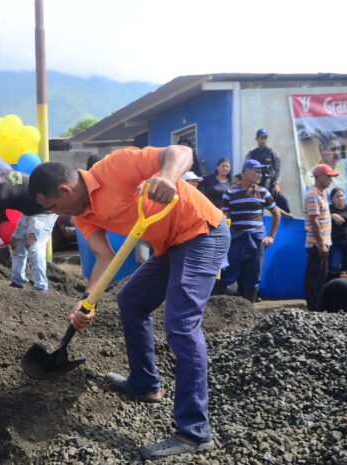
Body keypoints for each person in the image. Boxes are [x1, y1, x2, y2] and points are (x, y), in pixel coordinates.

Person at [28, 145, 230, 459]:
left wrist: (165, 176)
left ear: (65, 189)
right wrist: (87, 303)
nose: (57, 214)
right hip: (170, 246)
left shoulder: (115, 166)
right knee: (131, 299)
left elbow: (181, 150)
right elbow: (104, 258)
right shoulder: (84, 216)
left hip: (203, 232)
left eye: (54, 206)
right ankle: (145, 384)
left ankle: (194, 431)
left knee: (180, 324)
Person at [218, 159, 281, 302]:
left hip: (256, 239)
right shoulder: (230, 193)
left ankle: (249, 308)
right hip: (235, 239)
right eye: (257, 171)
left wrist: (271, 236)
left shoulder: (263, 192)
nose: (260, 174)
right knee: (227, 273)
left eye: (261, 172)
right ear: (245, 171)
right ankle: (220, 308)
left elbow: (277, 213)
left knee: (253, 275)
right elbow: (224, 217)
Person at [0, 168, 57, 292]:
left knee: (33, 245)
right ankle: (17, 281)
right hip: (29, 210)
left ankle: (41, 287)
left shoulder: (1, 195)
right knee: (15, 242)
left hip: (45, 210)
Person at [304, 164, 338, 311]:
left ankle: (317, 305)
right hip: (317, 244)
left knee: (320, 276)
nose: (331, 180)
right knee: (315, 276)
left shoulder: (322, 194)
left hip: (323, 242)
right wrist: (321, 244)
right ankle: (313, 307)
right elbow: (314, 221)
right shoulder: (312, 195)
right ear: (319, 177)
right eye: (328, 177)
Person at [245, 128, 291, 214]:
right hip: (256, 188)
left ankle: (285, 225)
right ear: (257, 139)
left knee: (284, 204)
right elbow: (246, 172)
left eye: (265, 137)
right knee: (256, 211)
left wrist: (277, 184)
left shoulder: (273, 153)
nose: (264, 140)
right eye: (262, 137)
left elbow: (278, 170)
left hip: (271, 186)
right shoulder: (251, 154)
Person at [328, 187, 347, 279]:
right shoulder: (329, 209)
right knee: (334, 266)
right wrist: (332, 215)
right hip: (335, 242)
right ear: (332, 199)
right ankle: (331, 287)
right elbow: (318, 216)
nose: (340, 198)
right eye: (337, 197)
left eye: (342, 196)